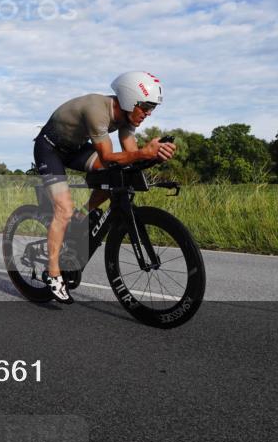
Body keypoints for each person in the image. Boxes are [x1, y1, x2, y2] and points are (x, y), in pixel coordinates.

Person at [33, 71, 176, 303]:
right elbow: (109, 155)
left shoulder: (128, 119)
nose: (148, 114)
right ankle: (53, 274)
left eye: (152, 109)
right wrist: (142, 153)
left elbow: (130, 157)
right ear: (130, 100)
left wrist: (155, 155)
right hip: (50, 149)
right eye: (146, 107)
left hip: (76, 150)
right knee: (63, 209)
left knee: (117, 176)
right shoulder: (97, 110)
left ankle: (82, 216)